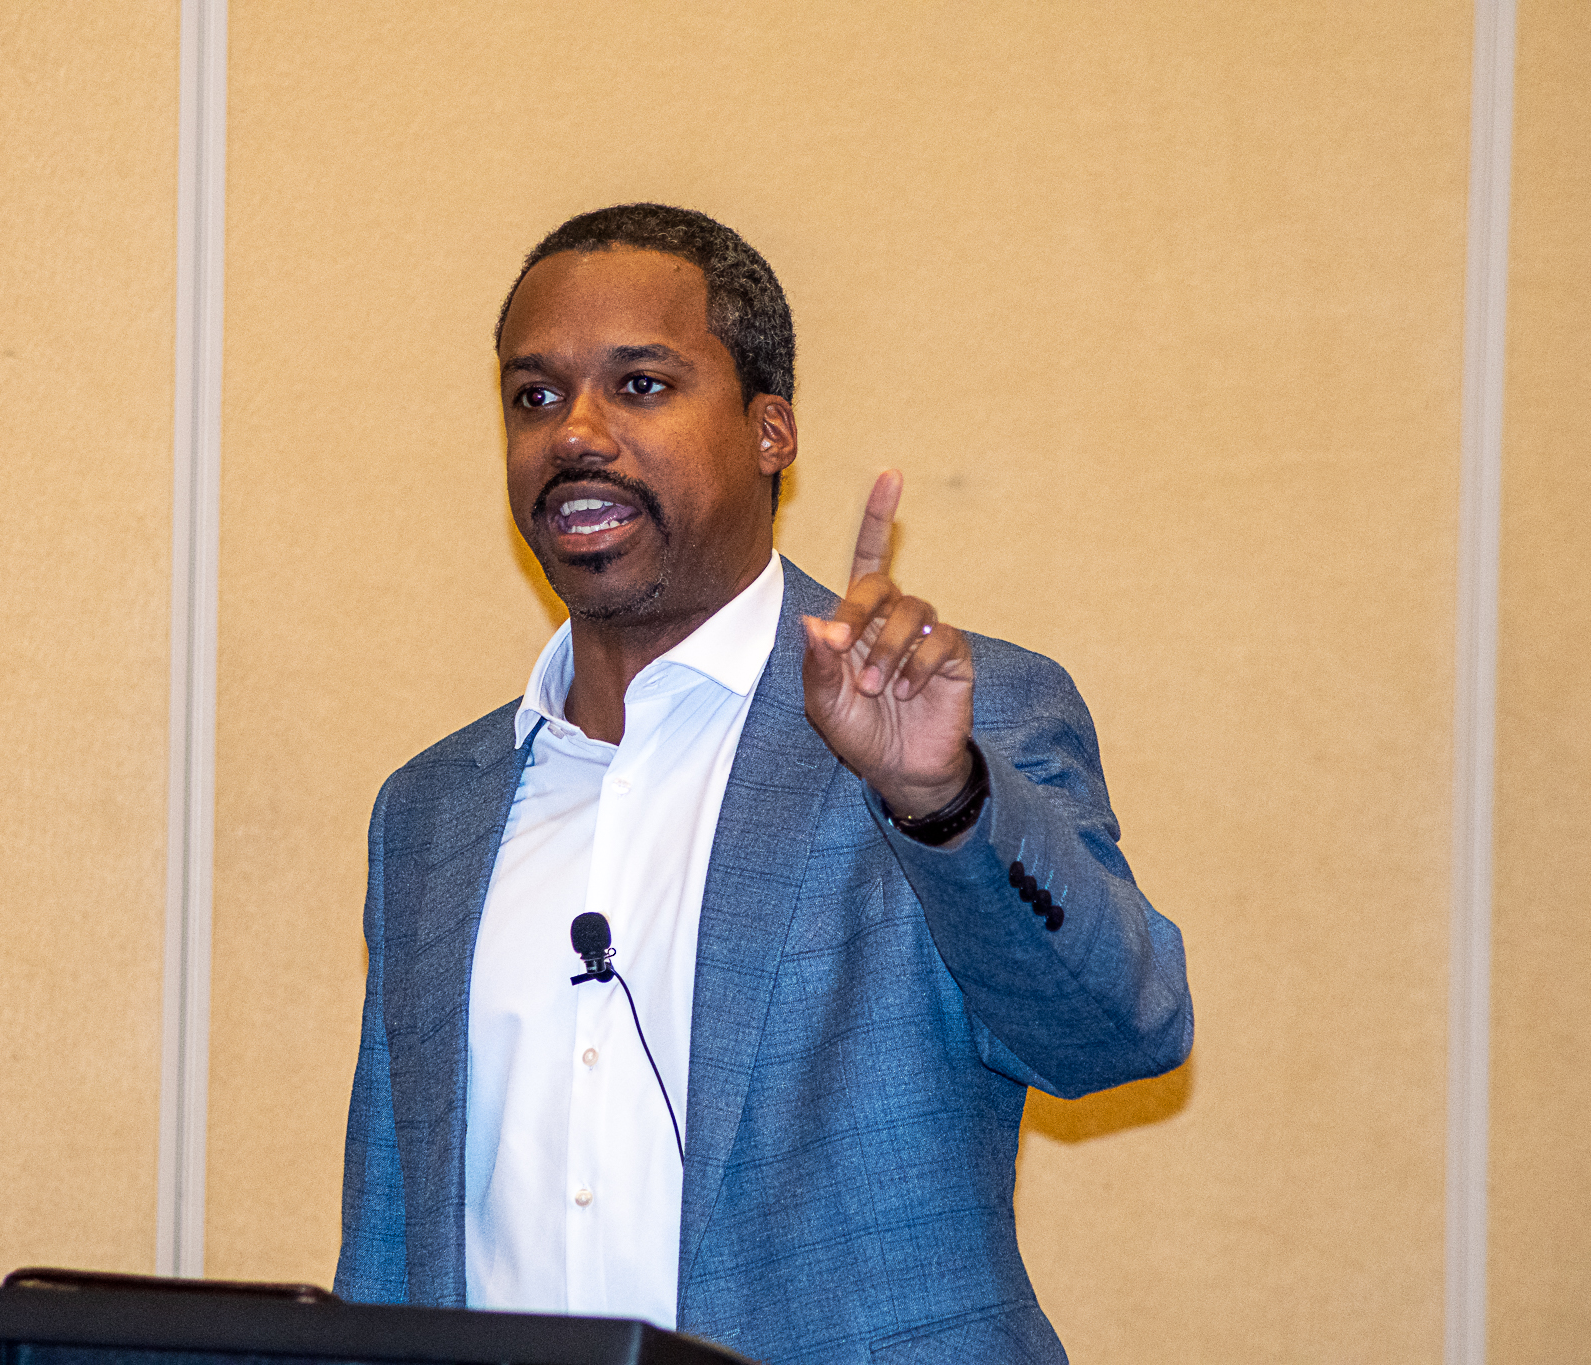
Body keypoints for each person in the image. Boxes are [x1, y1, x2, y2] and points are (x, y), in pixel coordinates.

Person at [334, 203, 1192, 1365]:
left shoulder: (949, 727)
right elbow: (396, 1232)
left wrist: (940, 803)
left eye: (639, 386)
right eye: (534, 396)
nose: (574, 434)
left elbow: (1117, 1035)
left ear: (769, 428)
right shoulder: (433, 807)